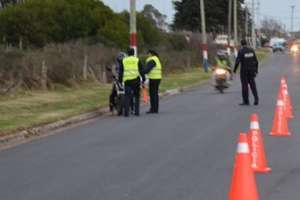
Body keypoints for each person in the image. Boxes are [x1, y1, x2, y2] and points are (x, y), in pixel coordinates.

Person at [119, 48, 144, 117]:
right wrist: (143, 78)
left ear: (127, 53)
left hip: (127, 81)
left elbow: (121, 72)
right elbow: (141, 70)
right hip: (136, 80)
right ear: (133, 53)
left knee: (127, 96)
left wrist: (120, 81)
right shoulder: (137, 60)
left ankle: (126, 113)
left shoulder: (124, 60)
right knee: (137, 96)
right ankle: (137, 112)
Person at [234, 39, 259, 106]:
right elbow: (256, 61)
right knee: (253, 85)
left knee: (244, 86)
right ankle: (256, 99)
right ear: (247, 43)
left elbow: (237, 61)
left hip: (244, 71)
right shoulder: (251, 50)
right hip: (252, 70)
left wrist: (234, 70)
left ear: (241, 44)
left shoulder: (241, 51)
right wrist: (256, 70)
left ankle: (246, 101)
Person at [143, 49, 162, 114]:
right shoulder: (156, 59)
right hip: (158, 78)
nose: (147, 55)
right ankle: (155, 109)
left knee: (152, 94)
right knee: (155, 94)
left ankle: (153, 109)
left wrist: (141, 72)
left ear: (150, 54)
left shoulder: (152, 60)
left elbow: (147, 69)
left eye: (148, 54)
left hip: (153, 79)